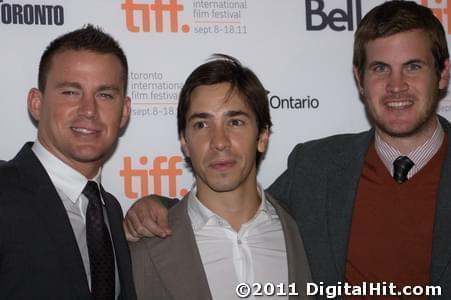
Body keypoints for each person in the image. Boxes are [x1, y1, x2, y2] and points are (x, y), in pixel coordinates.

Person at [124, 1, 451, 298]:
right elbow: (234, 201)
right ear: (360, 79)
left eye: (413, 66)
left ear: (443, 73)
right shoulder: (317, 167)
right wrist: (156, 206)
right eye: (380, 68)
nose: (396, 86)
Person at [130, 54, 312, 299]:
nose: (219, 142)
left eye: (235, 122)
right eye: (202, 125)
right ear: (184, 141)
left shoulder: (307, 232)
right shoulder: (142, 249)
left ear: (262, 137)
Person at [0, 25, 136, 300]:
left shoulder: (111, 209)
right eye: (71, 92)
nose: (89, 110)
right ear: (36, 103)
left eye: (105, 95)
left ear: (123, 112)